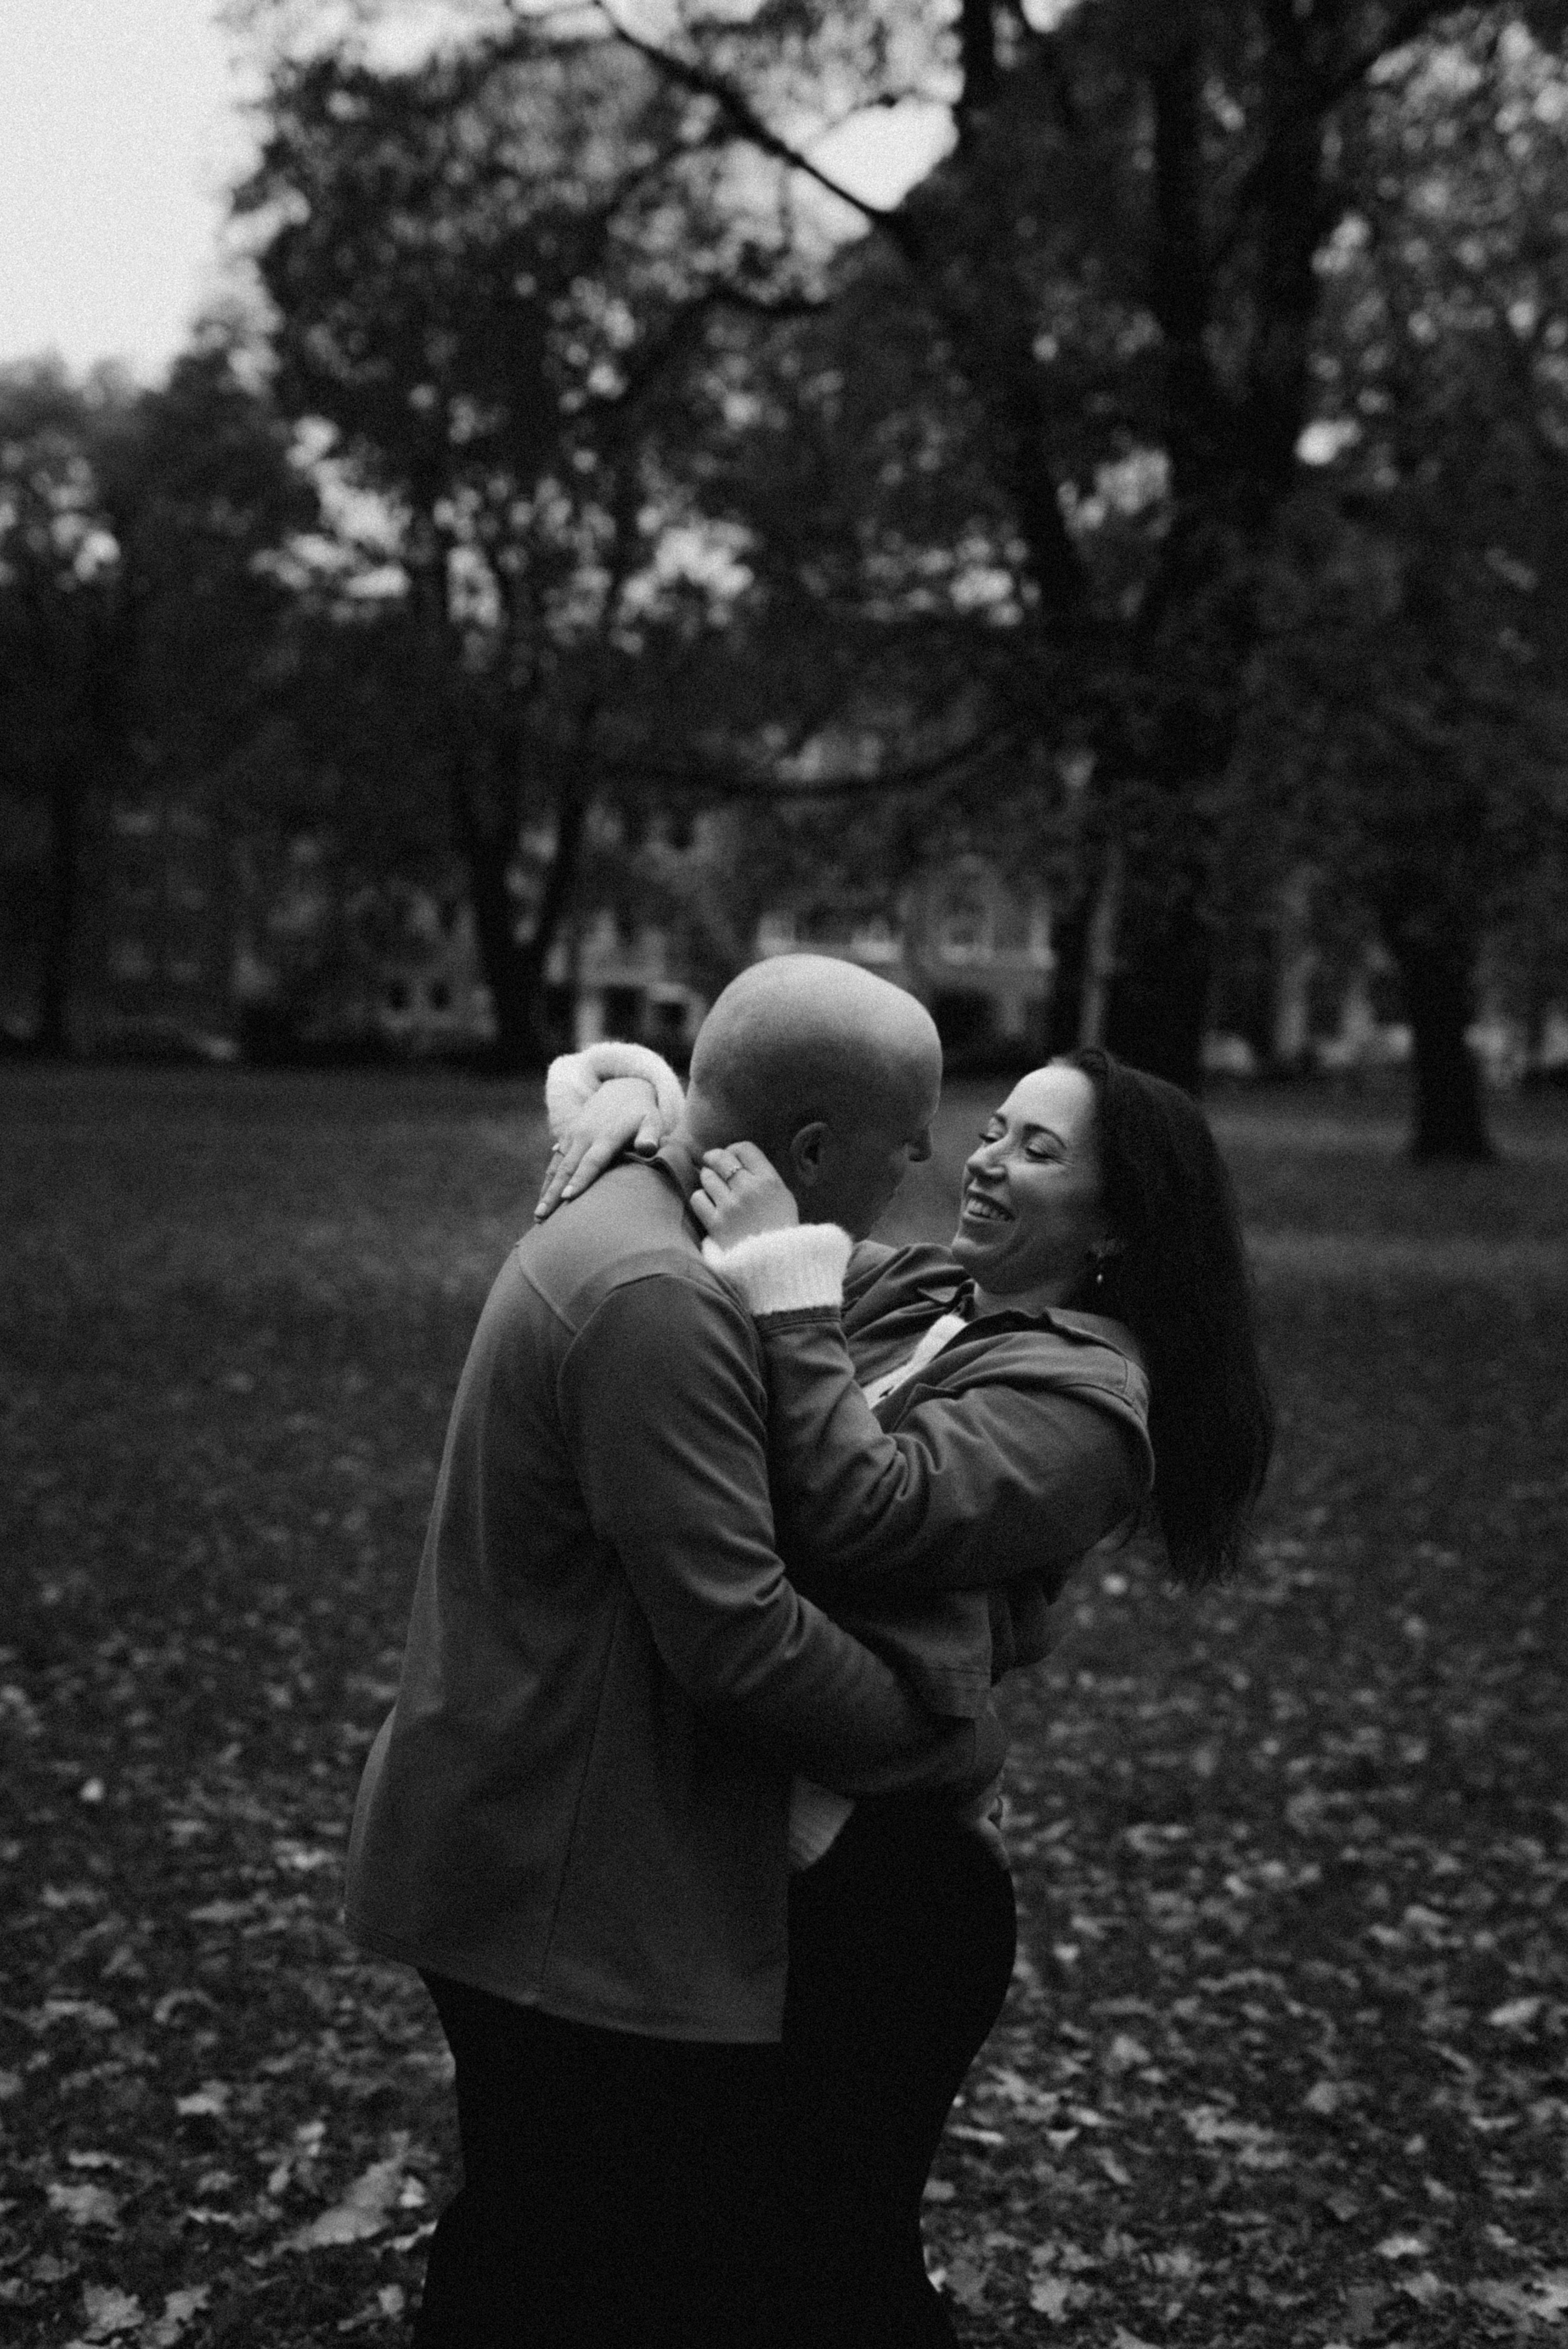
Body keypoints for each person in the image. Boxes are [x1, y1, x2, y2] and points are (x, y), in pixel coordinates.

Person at [542, 1032, 1274, 2346]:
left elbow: (863, 1511)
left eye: (1038, 1149)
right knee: (731, 2241)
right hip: (794, 1852)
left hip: (899, 1907)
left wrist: (782, 1277)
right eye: (993, 1128)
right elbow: (751, 1199)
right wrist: (647, 1097)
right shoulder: (934, 1289)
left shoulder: (1088, 1399)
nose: (984, 1159)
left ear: (1116, 1222)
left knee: (836, 2264)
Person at [342, 954, 1011, 2349]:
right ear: (816, 1147)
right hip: (551, 1862)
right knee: (547, 2258)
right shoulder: (659, 1290)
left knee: (567, 2237)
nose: (928, 1161)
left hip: (547, 1837)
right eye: (911, 1135)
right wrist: (933, 1745)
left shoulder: (647, 1225)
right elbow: (740, 1634)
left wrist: (631, 1081)